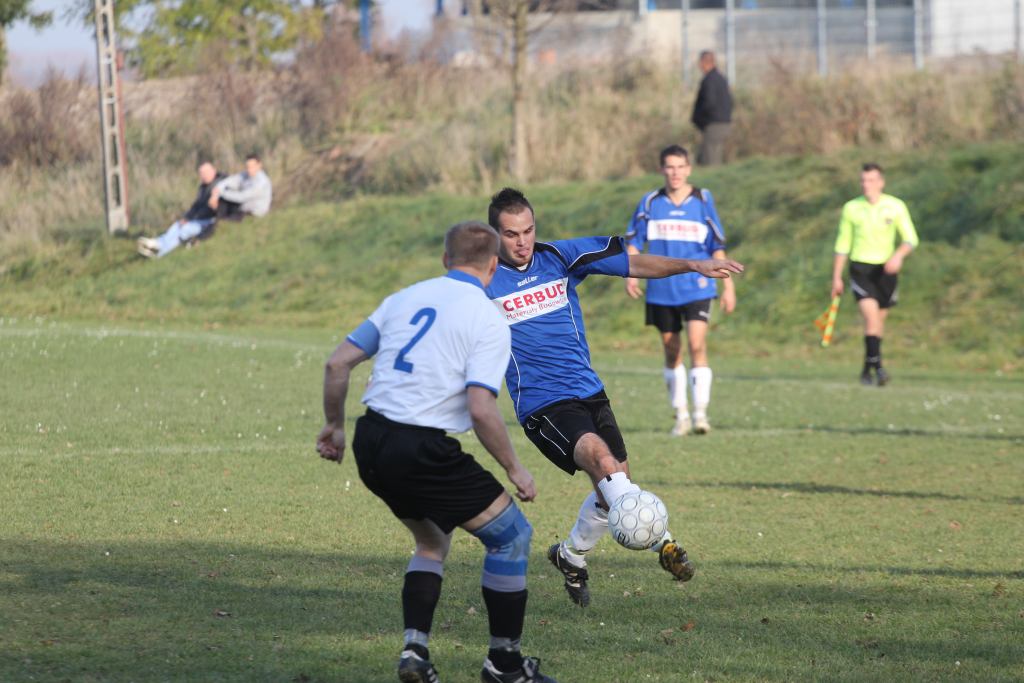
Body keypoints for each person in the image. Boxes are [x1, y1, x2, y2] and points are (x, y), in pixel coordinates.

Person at [317, 221, 557, 683]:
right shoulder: (487, 317)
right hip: (422, 449)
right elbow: (481, 408)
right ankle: (504, 663)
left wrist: (334, 425)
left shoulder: (403, 298)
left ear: (446, 260)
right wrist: (515, 468)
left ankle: (415, 652)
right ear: (493, 266)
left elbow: (337, 363)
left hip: (372, 441)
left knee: (431, 542)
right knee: (511, 536)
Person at [484, 188, 743, 608]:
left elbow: (633, 263)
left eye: (529, 230)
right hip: (541, 404)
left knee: (612, 486)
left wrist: (692, 263)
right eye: (512, 234)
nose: (522, 241)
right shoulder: (484, 278)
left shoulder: (559, 257)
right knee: (604, 464)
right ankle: (664, 543)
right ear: (494, 233)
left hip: (588, 390)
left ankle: (570, 557)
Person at [624, 145, 736, 436]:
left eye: (680, 167)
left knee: (697, 344)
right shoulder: (650, 202)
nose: (675, 172)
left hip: (697, 286)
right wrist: (631, 274)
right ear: (662, 170)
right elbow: (634, 242)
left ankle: (700, 415)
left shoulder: (703, 200)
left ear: (689, 169)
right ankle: (681, 415)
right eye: (669, 167)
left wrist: (728, 286)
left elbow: (717, 247)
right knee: (672, 350)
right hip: (661, 288)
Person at [831, 163, 919, 386]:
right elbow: (842, 244)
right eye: (863, 180)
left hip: (886, 270)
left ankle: (866, 369)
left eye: (871, 180)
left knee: (878, 323)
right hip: (861, 269)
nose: (866, 185)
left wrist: (898, 256)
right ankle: (879, 369)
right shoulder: (852, 208)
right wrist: (836, 276)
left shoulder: (895, 206)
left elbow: (910, 238)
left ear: (881, 182)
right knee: (871, 318)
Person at [136, 160, 225, 258]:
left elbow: (215, 207)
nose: (203, 176)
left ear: (213, 171)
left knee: (184, 231)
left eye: (205, 173)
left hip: (209, 221)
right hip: (199, 218)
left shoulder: (220, 184)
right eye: (201, 174)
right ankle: (157, 244)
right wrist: (187, 217)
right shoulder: (203, 187)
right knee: (177, 225)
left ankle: (159, 251)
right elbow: (196, 205)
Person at [690, 50, 733, 167]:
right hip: (723, 123)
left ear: (705, 62)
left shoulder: (709, 80)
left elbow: (709, 103)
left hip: (713, 125)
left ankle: (712, 185)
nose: (699, 66)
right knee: (715, 158)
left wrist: (701, 120)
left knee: (710, 161)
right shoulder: (721, 78)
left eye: (700, 63)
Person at [208, 153, 273, 219]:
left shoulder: (261, 182)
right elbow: (229, 181)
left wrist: (221, 193)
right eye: (248, 167)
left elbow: (242, 197)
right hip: (243, 208)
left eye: (252, 166)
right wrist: (216, 194)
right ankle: (216, 220)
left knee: (225, 199)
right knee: (223, 196)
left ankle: (219, 221)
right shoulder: (245, 174)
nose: (249, 169)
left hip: (254, 213)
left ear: (259, 165)